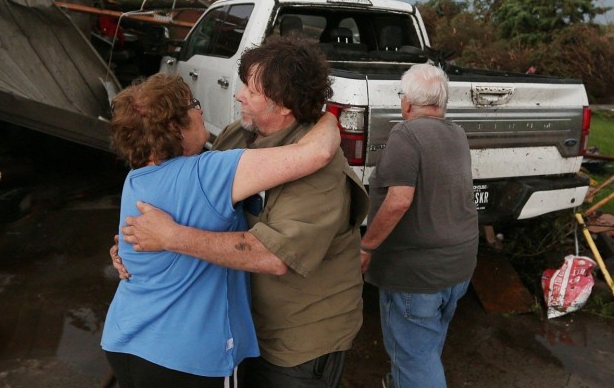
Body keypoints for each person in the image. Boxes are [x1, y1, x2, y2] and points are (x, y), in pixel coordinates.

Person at [118, 38, 368, 387]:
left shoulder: (319, 174)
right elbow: (185, 193)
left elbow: (273, 255)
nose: (238, 96)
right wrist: (131, 245)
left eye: (250, 90)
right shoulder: (239, 135)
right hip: (243, 332)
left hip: (296, 343)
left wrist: (170, 237)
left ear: (283, 104)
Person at [359, 63, 478, 388]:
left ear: (407, 102)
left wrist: (366, 246)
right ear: (441, 103)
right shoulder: (456, 133)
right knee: (425, 347)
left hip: (417, 276)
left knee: (416, 362)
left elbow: (398, 200)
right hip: (458, 268)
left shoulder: (406, 134)